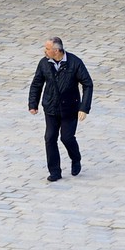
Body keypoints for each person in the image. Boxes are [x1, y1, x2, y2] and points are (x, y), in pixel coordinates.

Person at [28, 37, 94, 181]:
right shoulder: (44, 63)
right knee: (50, 138)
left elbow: (87, 84)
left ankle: (76, 158)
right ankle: (55, 171)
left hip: (69, 108)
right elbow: (37, 84)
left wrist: (84, 107)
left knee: (67, 137)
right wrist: (33, 104)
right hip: (51, 107)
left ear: (56, 50)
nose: (44, 51)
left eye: (47, 49)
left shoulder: (75, 62)